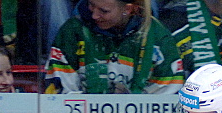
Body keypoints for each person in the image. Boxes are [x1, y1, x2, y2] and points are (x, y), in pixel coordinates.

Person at [44, 0, 184, 94]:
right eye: (91, 4)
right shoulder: (72, 30)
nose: (94, 15)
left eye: (103, 11)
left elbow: (167, 100)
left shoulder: (157, 36)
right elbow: (58, 95)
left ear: (128, 9)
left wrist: (128, 105)